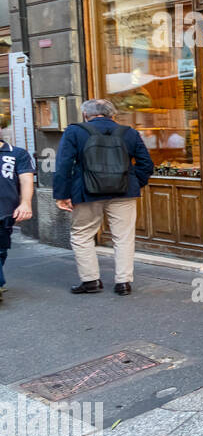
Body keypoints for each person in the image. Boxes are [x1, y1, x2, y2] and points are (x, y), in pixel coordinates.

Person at [53, 99, 154, 296]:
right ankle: (123, 282)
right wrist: (133, 182)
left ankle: (90, 281)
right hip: (124, 191)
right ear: (112, 115)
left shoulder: (75, 131)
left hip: (86, 191)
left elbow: (63, 165)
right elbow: (146, 164)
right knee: (123, 237)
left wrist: (62, 194)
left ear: (85, 115)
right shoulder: (129, 132)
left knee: (82, 234)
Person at [0, 136, 36, 303]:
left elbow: (26, 179)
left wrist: (26, 203)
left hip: (5, 210)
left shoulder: (17, 153)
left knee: (1, 250)